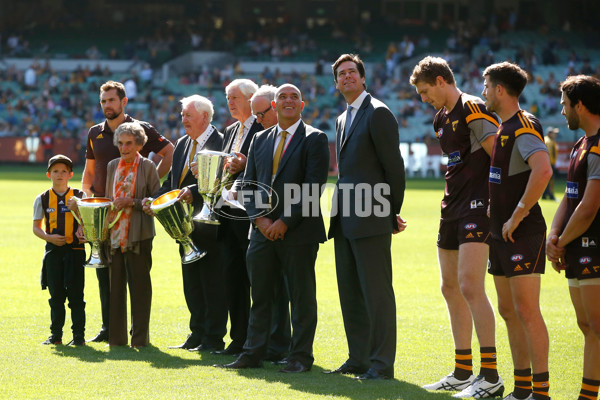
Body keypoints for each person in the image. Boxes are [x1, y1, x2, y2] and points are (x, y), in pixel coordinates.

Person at [217, 84, 329, 373]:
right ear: (274, 105)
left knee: (301, 298)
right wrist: (261, 220)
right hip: (262, 231)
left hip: (299, 231)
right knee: (261, 295)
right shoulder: (260, 139)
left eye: (294, 97)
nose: (288, 101)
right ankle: (253, 353)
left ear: (302, 105)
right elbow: (248, 183)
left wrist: (284, 222)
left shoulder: (315, 138)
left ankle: (300, 357)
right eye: (283, 97)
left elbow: (313, 186)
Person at [410, 56, 503, 396]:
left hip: (478, 206)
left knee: (470, 286)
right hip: (451, 207)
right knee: (449, 287)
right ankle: (462, 371)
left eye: (424, 91)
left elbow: (499, 157)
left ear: (440, 80)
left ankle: (490, 375)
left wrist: (500, 203)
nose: (424, 98)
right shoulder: (440, 118)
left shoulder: (473, 108)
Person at [325, 53, 405, 381]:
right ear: (336, 82)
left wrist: (390, 212)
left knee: (376, 292)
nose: (346, 77)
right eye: (341, 74)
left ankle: (382, 364)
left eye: (352, 72)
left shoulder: (379, 113)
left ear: (362, 77)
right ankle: (357, 358)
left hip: (371, 216)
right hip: (345, 218)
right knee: (351, 291)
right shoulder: (343, 118)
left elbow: (394, 168)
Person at [78, 80, 173, 343]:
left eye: (111, 100)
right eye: (103, 101)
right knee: (107, 280)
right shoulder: (94, 133)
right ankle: (111, 331)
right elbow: (88, 172)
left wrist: (148, 191)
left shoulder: (142, 130)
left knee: (137, 282)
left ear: (123, 102)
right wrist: (87, 206)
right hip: (104, 219)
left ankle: (138, 336)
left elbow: (169, 152)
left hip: (137, 226)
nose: (107, 105)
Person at [482, 62, 552, 400]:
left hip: (521, 233)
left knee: (526, 311)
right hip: (499, 233)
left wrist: (517, 215)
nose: (483, 93)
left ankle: (541, 392)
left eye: (486, 87)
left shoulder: (524, 125)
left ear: (499, 90)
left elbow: (543, 171)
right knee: (508, 311)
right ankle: (521, 389)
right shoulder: (502, 126)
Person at [143, 95, 227, 352]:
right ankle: (197, 333)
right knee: (191, 282)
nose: (183, 120)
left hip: (212, 225)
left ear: (204, 116)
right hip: (184, 226)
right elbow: (171, 185)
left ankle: (213, 338)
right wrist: (155, 200)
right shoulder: (181, 143)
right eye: (182, 115)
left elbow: (223, 181)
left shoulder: (222, 142)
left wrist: (194, 190)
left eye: (188, 115)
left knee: (212, 282)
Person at [547, 75, 600, 400]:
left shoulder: (597, 146)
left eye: (566, 105)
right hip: (577, 245)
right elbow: (570, 198)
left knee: (596, 326)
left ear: (580, 105)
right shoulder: (581, 144)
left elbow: (590, 205)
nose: (563, 112)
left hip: (594, 245)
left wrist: (561, 242)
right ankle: (588, 393)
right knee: (587, 325)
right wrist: (554, 235)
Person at [213, 79, 262, 357]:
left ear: (251, 98)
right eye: (227, 97)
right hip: (227, 212)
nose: (230, 102)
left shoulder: (263, 126)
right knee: (232, 276)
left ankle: (256, 340)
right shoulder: (231, 130)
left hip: (251, 212)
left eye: (234, 97)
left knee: (254, 278)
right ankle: (238, 338)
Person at [104, 122, 160, 348]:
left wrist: (133, 202)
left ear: (139, 144)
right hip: (114, 236)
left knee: (140, 288)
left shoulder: (148, 166)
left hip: (140, 235)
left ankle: (140, 340)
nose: (124, 147)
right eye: (120, 143)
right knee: (115, 289)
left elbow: (156, 202)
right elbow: (109, 199)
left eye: (129, 143)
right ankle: (116, 340)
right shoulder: (111, 166)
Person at [33, 155, 86, 346]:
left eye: (64, 171)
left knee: (76, 296)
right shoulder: (43, 198)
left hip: (76, 251)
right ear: (49, 174)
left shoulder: (81, 196)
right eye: (55, 171)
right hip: (53, 253)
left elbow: (88, 225)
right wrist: (49, 237)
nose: (60, 175)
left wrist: (79, 217)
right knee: (56, 296)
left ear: (71, 174)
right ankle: (56, 336)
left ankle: (79, 337)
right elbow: (36, 227)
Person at [542, 127, 559, 200]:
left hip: (545, 163)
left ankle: (545, 195)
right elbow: (549, 154)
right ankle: (551, 195)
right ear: (549, 133)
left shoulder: (547, 140)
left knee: (545, 181)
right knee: (551, 180)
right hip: (549, 164)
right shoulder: (549, 141)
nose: (555, 135)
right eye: (554, 133)